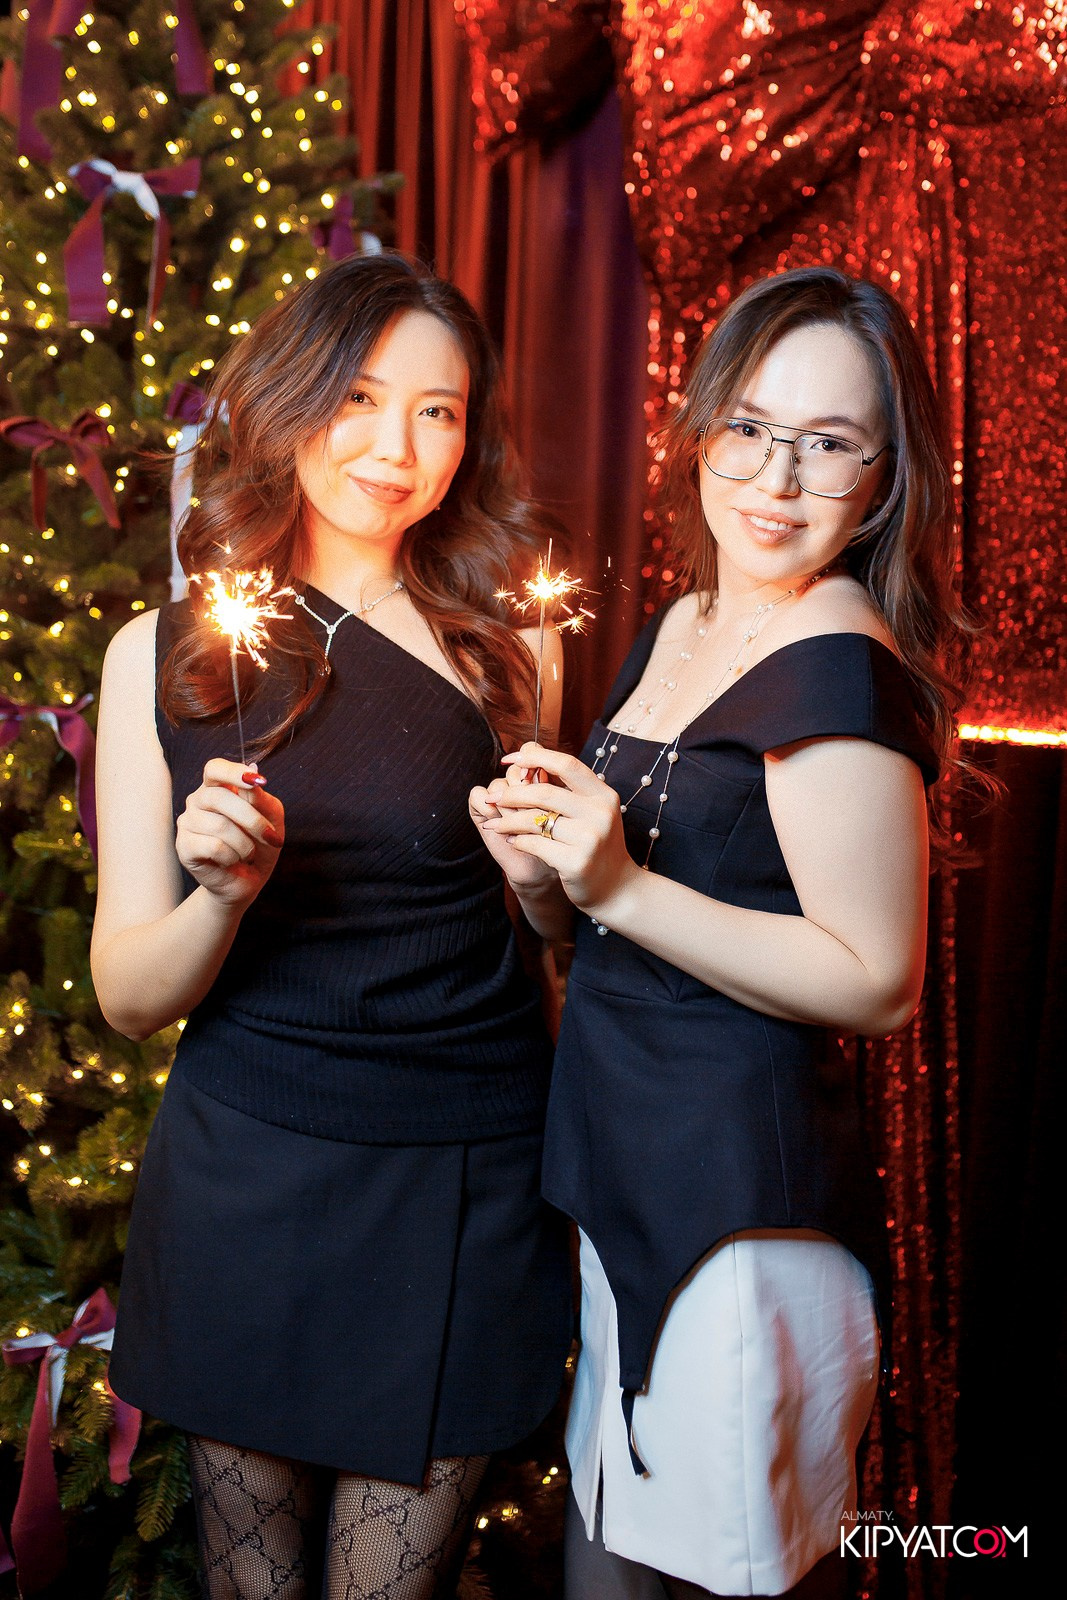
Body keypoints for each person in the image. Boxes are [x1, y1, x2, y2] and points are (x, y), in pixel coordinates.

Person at [471, 266, 969, 1599]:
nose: (776, 479)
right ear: (699, 429)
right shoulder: (687, 624)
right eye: (748, 427)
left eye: (830, 444)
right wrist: (542, 873)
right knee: (608, 1561)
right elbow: (595, 926)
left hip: (738, 1220)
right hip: (620, 1173)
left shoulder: (836, 666)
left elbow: (879, 982)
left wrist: (620, 889)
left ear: (884, 478)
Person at [91, 251, 572, 1600]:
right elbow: (130, 995)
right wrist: (221, 898)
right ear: (293, 395)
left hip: (466, 1171)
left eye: (438, 410)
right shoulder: (166, 654)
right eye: (359, 396)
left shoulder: (508, 646)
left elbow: (555, 937)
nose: (396, 448)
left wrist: (551, 882)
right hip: (250, 1171)